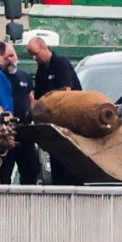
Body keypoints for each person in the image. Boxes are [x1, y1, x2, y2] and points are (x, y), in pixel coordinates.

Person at [27, 37, 82, 185]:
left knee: (71, 160)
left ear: (45, 48)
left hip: (68, 121)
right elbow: (38, 98)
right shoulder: (40, 71)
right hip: (53, 123)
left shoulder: (60, 63)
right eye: (31, 55)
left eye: (36, 54)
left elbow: (66, 90)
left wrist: (48, 100)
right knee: (57, 160)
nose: (34, 58)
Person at [1, 43, 39, 185]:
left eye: (12, 55)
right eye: (6, 57)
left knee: (30, 168)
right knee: (5, 169)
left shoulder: (23, 76)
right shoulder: (0, 77)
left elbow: (32, 99)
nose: (10, 60)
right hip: (6, 130)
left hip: (25, 129)